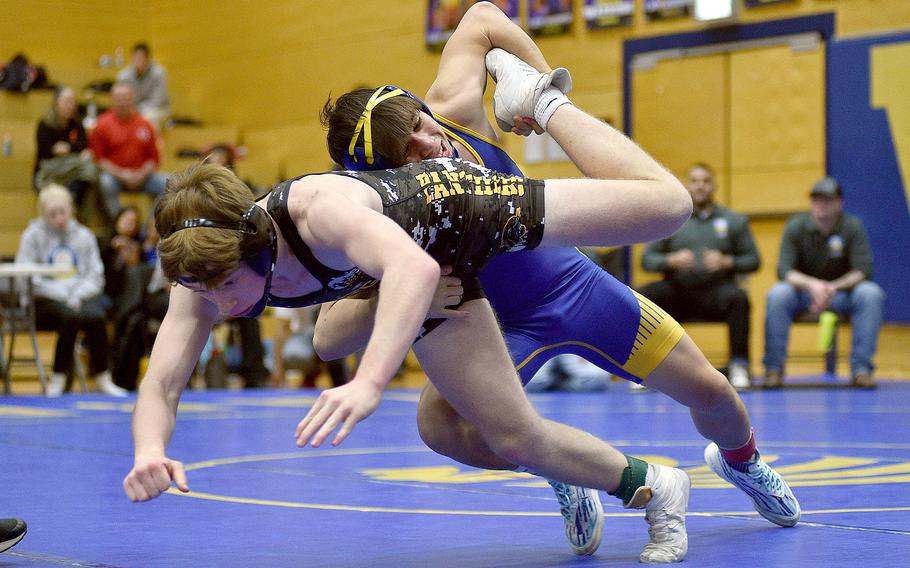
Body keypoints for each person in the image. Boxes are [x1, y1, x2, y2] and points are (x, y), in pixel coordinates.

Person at [315, 1, 798, 558]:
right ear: (382, 174)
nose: (432, 147)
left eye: (423, 127)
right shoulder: (377, 209)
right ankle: (564, 469)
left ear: (425, 109)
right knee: (438, 424)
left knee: (712, 394)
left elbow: (481, 18)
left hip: (574, 287)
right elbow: (329, 336)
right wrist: (395, 294)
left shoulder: (453, 115)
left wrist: (528, 84)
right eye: (410, 153)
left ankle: (744, 462)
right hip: (496, 331)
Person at [638, 162, 760, 389]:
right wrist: (670, 260)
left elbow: (753, 260)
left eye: (706, 181)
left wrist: (727, 262)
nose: (700, 186)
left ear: (714, 186)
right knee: (643, 297)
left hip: (716, 292)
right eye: (695, 181)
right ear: (687, 185)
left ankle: (739, 365)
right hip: (677, 292)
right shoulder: (671, 217)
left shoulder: (733, 221)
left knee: (739, 298)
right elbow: (647, 260)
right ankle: (643, 367)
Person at [763, 176, 884, 389]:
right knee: (778, 294)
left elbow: (863, 270)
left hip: (841, 294)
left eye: (827, 199)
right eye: (816, 199)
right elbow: (785, 271)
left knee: (871, 293)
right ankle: (774, 369)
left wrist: (832, 287)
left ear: (840, 203)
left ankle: (862, 370)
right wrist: (813, 286)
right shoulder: (796, 226)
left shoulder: (852, 226)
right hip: (804, 294)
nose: (821, 204)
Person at [15, 184, 127, 397]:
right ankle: (58, 377)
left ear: (71, 209)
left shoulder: (84, 235)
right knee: (69, 317)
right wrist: (59, 292)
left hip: (78, 295)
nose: (59, 218)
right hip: (43, 299)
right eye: (52, 214)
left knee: (96, 316)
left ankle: (103, 376)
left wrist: (76, 293)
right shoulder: (33, 234)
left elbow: (95, 276)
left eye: (62, 212)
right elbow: (25, 274)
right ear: (43, 214)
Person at [89, 82, 168, 221]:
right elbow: (99, 160)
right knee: (104, 182)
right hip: (115, 177)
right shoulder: (101, 124)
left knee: (169, 182)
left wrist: (140, 174)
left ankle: (151, 227)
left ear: (133, 98)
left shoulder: (145, 124)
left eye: (126, 98)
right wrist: (122, 174)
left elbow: (153, 159)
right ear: (112, 100)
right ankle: (121, 224)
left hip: (142, 176)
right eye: (118, 98)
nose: (122, 102)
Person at [33, 85, 99, 219]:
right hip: (49, 169)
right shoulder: (45, 123)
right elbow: (45, 151)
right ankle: (69, 201)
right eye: (67, 101)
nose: (71, 105)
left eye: (73, 101)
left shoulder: (76, 122)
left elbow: (82, 144)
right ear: (56, 102)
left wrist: (68, 148)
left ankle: (73, 203)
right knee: (87, 166)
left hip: (72, 168)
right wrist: (69, 150)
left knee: (90, 171)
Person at [271, 306, 349, 388]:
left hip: (331, 332)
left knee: (336, 341)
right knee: (294, 354)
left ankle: (340, 381)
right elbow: (282, 329)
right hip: (304, 335)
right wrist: (278, 367)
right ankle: (312, 373)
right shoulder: (285, 294)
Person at [117, 42, 170, 129]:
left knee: (148, 119)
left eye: (140, 58)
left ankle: (148, 142)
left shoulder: (159, 73)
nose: (137, 61)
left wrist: (139, 109)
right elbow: (121, 98)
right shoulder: (124, 75)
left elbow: (158, 100)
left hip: (157, 109)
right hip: (133, 109)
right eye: (135, 57)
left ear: (148, 59)